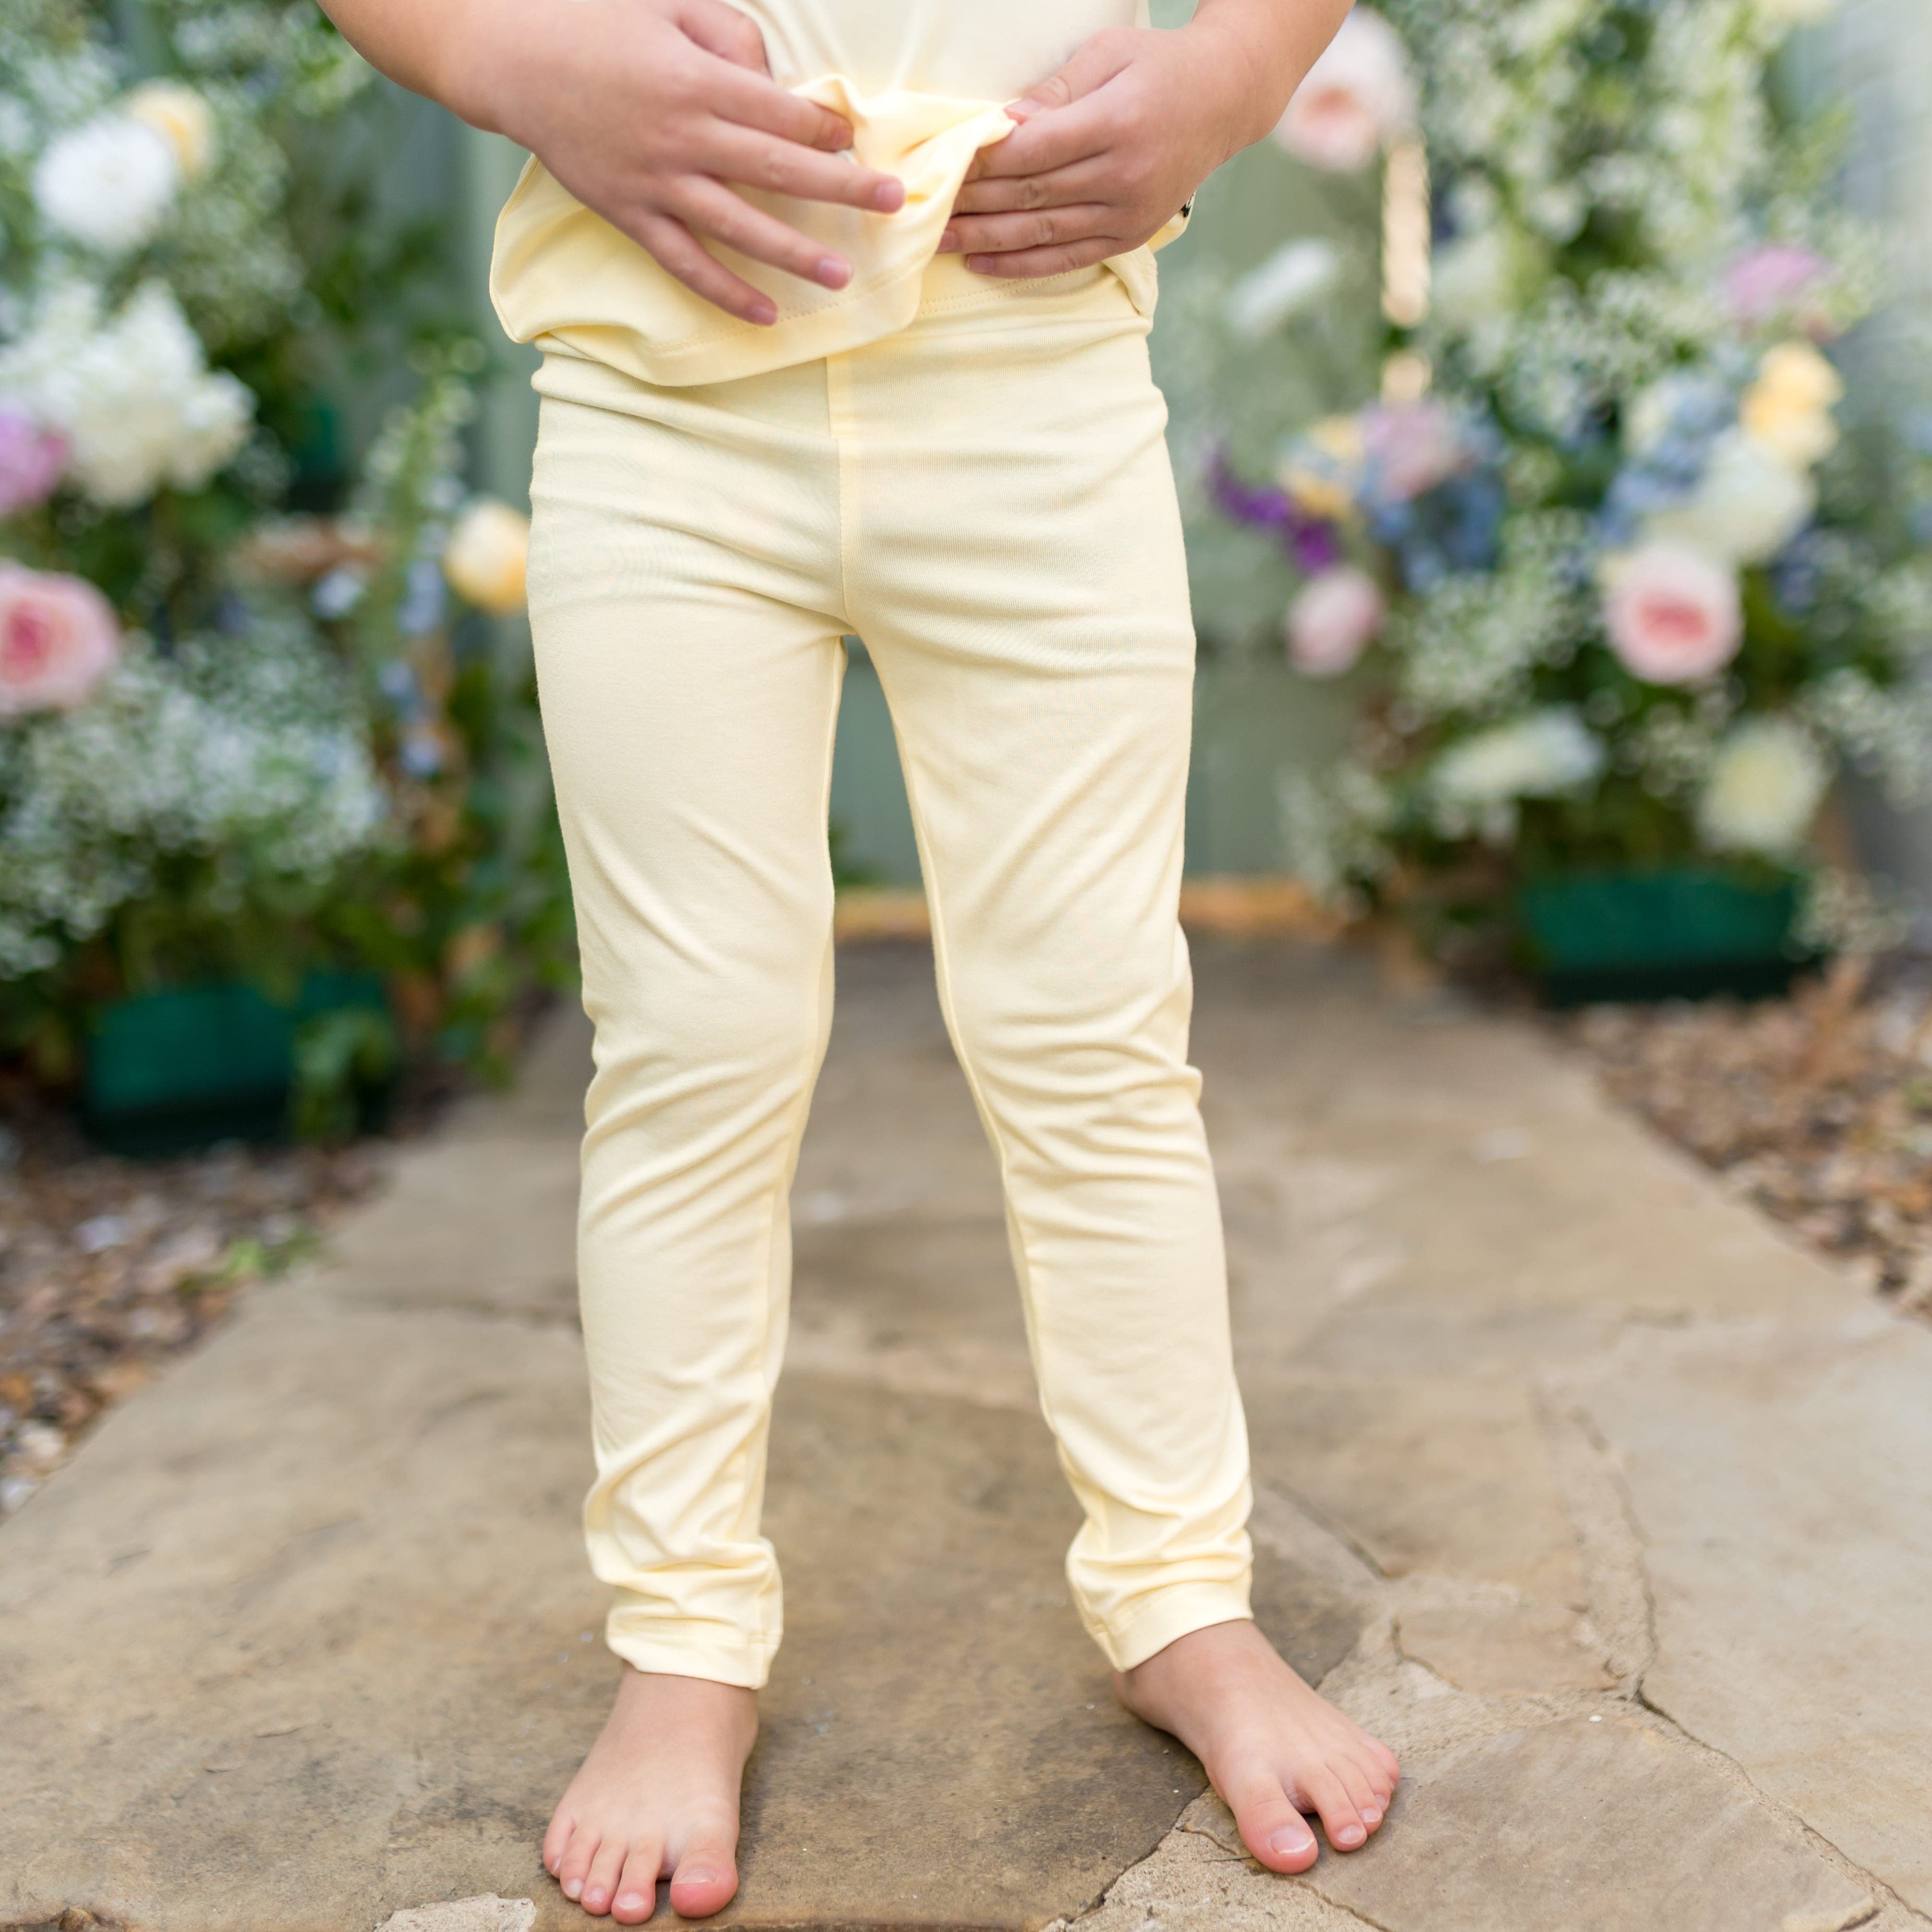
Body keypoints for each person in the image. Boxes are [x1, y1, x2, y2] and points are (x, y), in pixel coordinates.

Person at [316, 0, 1399, 1920]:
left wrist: (1231, 77)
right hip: (664, 391)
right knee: (692, 1044)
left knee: (1092, 1034)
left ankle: (1179, 1597)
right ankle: (683, 1639)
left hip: (1036, 375)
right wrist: (516, 61)